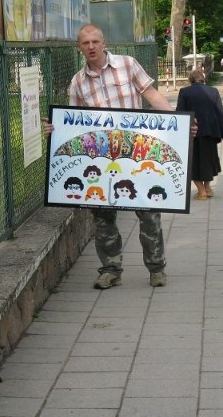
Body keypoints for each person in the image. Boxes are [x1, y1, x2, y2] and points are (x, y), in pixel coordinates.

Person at [62, 23, 178, 289]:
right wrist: (57, 131)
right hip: (102, 160)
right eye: (85, 43)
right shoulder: (78, 82)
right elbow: (75, 124)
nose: (91, 47)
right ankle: (111, 269)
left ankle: (156, 268)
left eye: (95, 42)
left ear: (104, 44)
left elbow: (151, 95)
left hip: (136, 153)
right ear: (79, 48)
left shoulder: (128, 65)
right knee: (103, 217)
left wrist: (176, 122)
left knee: (148, 213)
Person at [176, 69, 223, 200]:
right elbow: (220, 113)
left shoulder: (185, 92)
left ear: (190, 80)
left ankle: (201, 192)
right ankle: (208, 188)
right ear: (204, 79)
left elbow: (180, 113)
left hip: (193, 132)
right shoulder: (213, 91)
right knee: (209, 160)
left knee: (194, 163)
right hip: (211, 132)